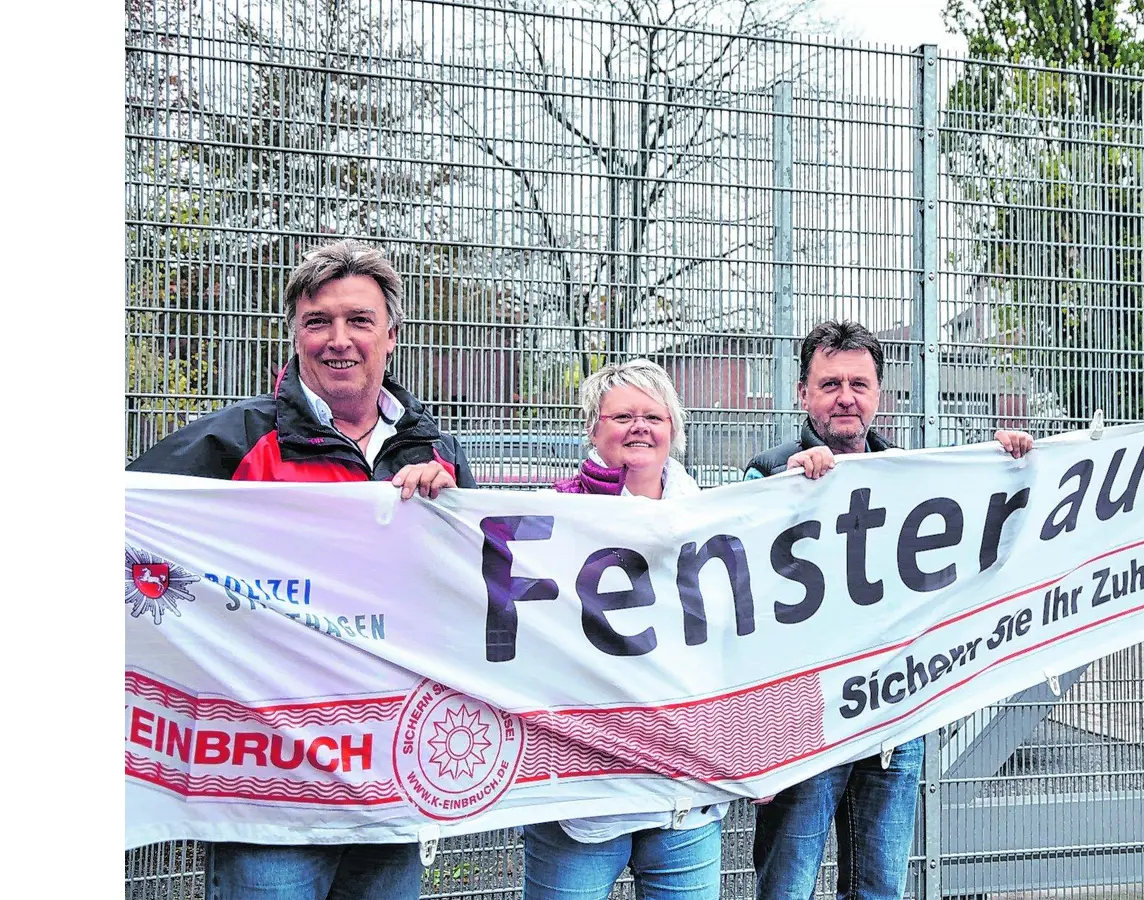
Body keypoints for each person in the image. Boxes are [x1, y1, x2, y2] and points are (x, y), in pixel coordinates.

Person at [128, 239, 475, 900]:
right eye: (318, 323)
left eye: (358, 321)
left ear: (391, 336)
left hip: (388, 794)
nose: (337, 340)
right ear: (295, 335)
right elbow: (130, 529)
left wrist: (451, 507)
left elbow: (478, 591)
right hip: (268, 804)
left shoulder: (438, 454)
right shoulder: (234, 441)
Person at [743, 320, 1034, 900]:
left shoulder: (913, 479)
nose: (845, 397)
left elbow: (982, 533)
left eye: (859, 383)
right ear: (803, 394)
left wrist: (1009, 464)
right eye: (829, 384)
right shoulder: (766, 472)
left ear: (880, 395)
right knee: (787, 886)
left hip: (892, 717)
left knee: (880, 887)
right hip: (803, 720)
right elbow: (743, 588)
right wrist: (787, 491)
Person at [521, 358, 728, 900]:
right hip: (584, 794)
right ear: (594, 430)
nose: (640, 427)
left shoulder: (715, 518)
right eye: (622, 416)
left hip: (683, 795)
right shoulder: (551, 515)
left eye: (653, 416)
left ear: (674, 431)